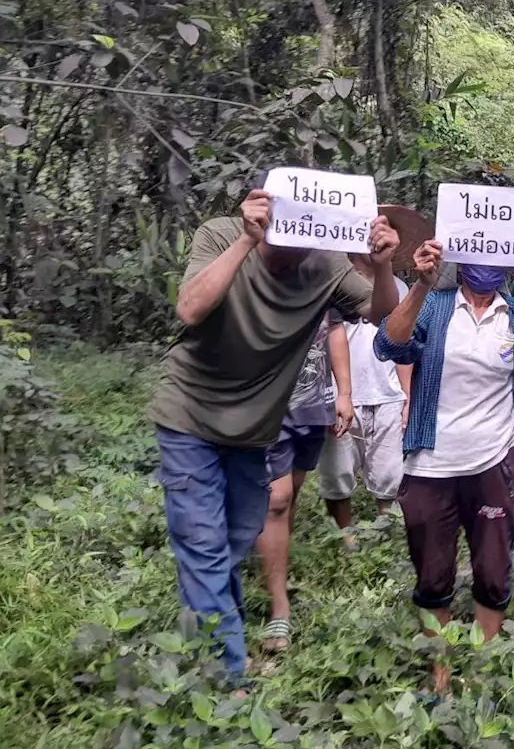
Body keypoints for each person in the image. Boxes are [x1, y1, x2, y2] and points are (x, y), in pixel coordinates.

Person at [147, 182, 400, 680]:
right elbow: (190, 309)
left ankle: (214, 636)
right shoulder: (220, 235)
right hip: (189, 415)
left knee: (236, 539)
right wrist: (246, 240)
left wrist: (384, 262)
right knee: (201, 541)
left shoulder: (326, 264)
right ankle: (227, 673)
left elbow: (381, 313)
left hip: (254, 428)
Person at [374, 238, 514, 695]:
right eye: (478, 256)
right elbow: (389, 344)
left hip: (494, 460)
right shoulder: (435, 307)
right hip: (431, 462)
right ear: (461, 257)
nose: (487, 267)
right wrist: (419, 286)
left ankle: (482, 666)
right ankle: (441, 673)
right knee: (432, 571)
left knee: (493, 568)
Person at [257, 313, 352, 653]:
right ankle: (279, 606)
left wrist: (344, 391)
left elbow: (335, 328)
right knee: (277, 498)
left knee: (290, 495)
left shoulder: (323, 267)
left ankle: (272, 567)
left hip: (313, 402)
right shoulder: (252, 269)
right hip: (265, 401)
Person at [316, 252, 414, 547]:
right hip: (340, 396)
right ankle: (346, 544)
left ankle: (386, 541)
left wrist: (408, 396)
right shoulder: (331, 284)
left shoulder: (398, 287)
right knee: (337, 477)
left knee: (390, 478)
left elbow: (403, 342)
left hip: (387, 394)